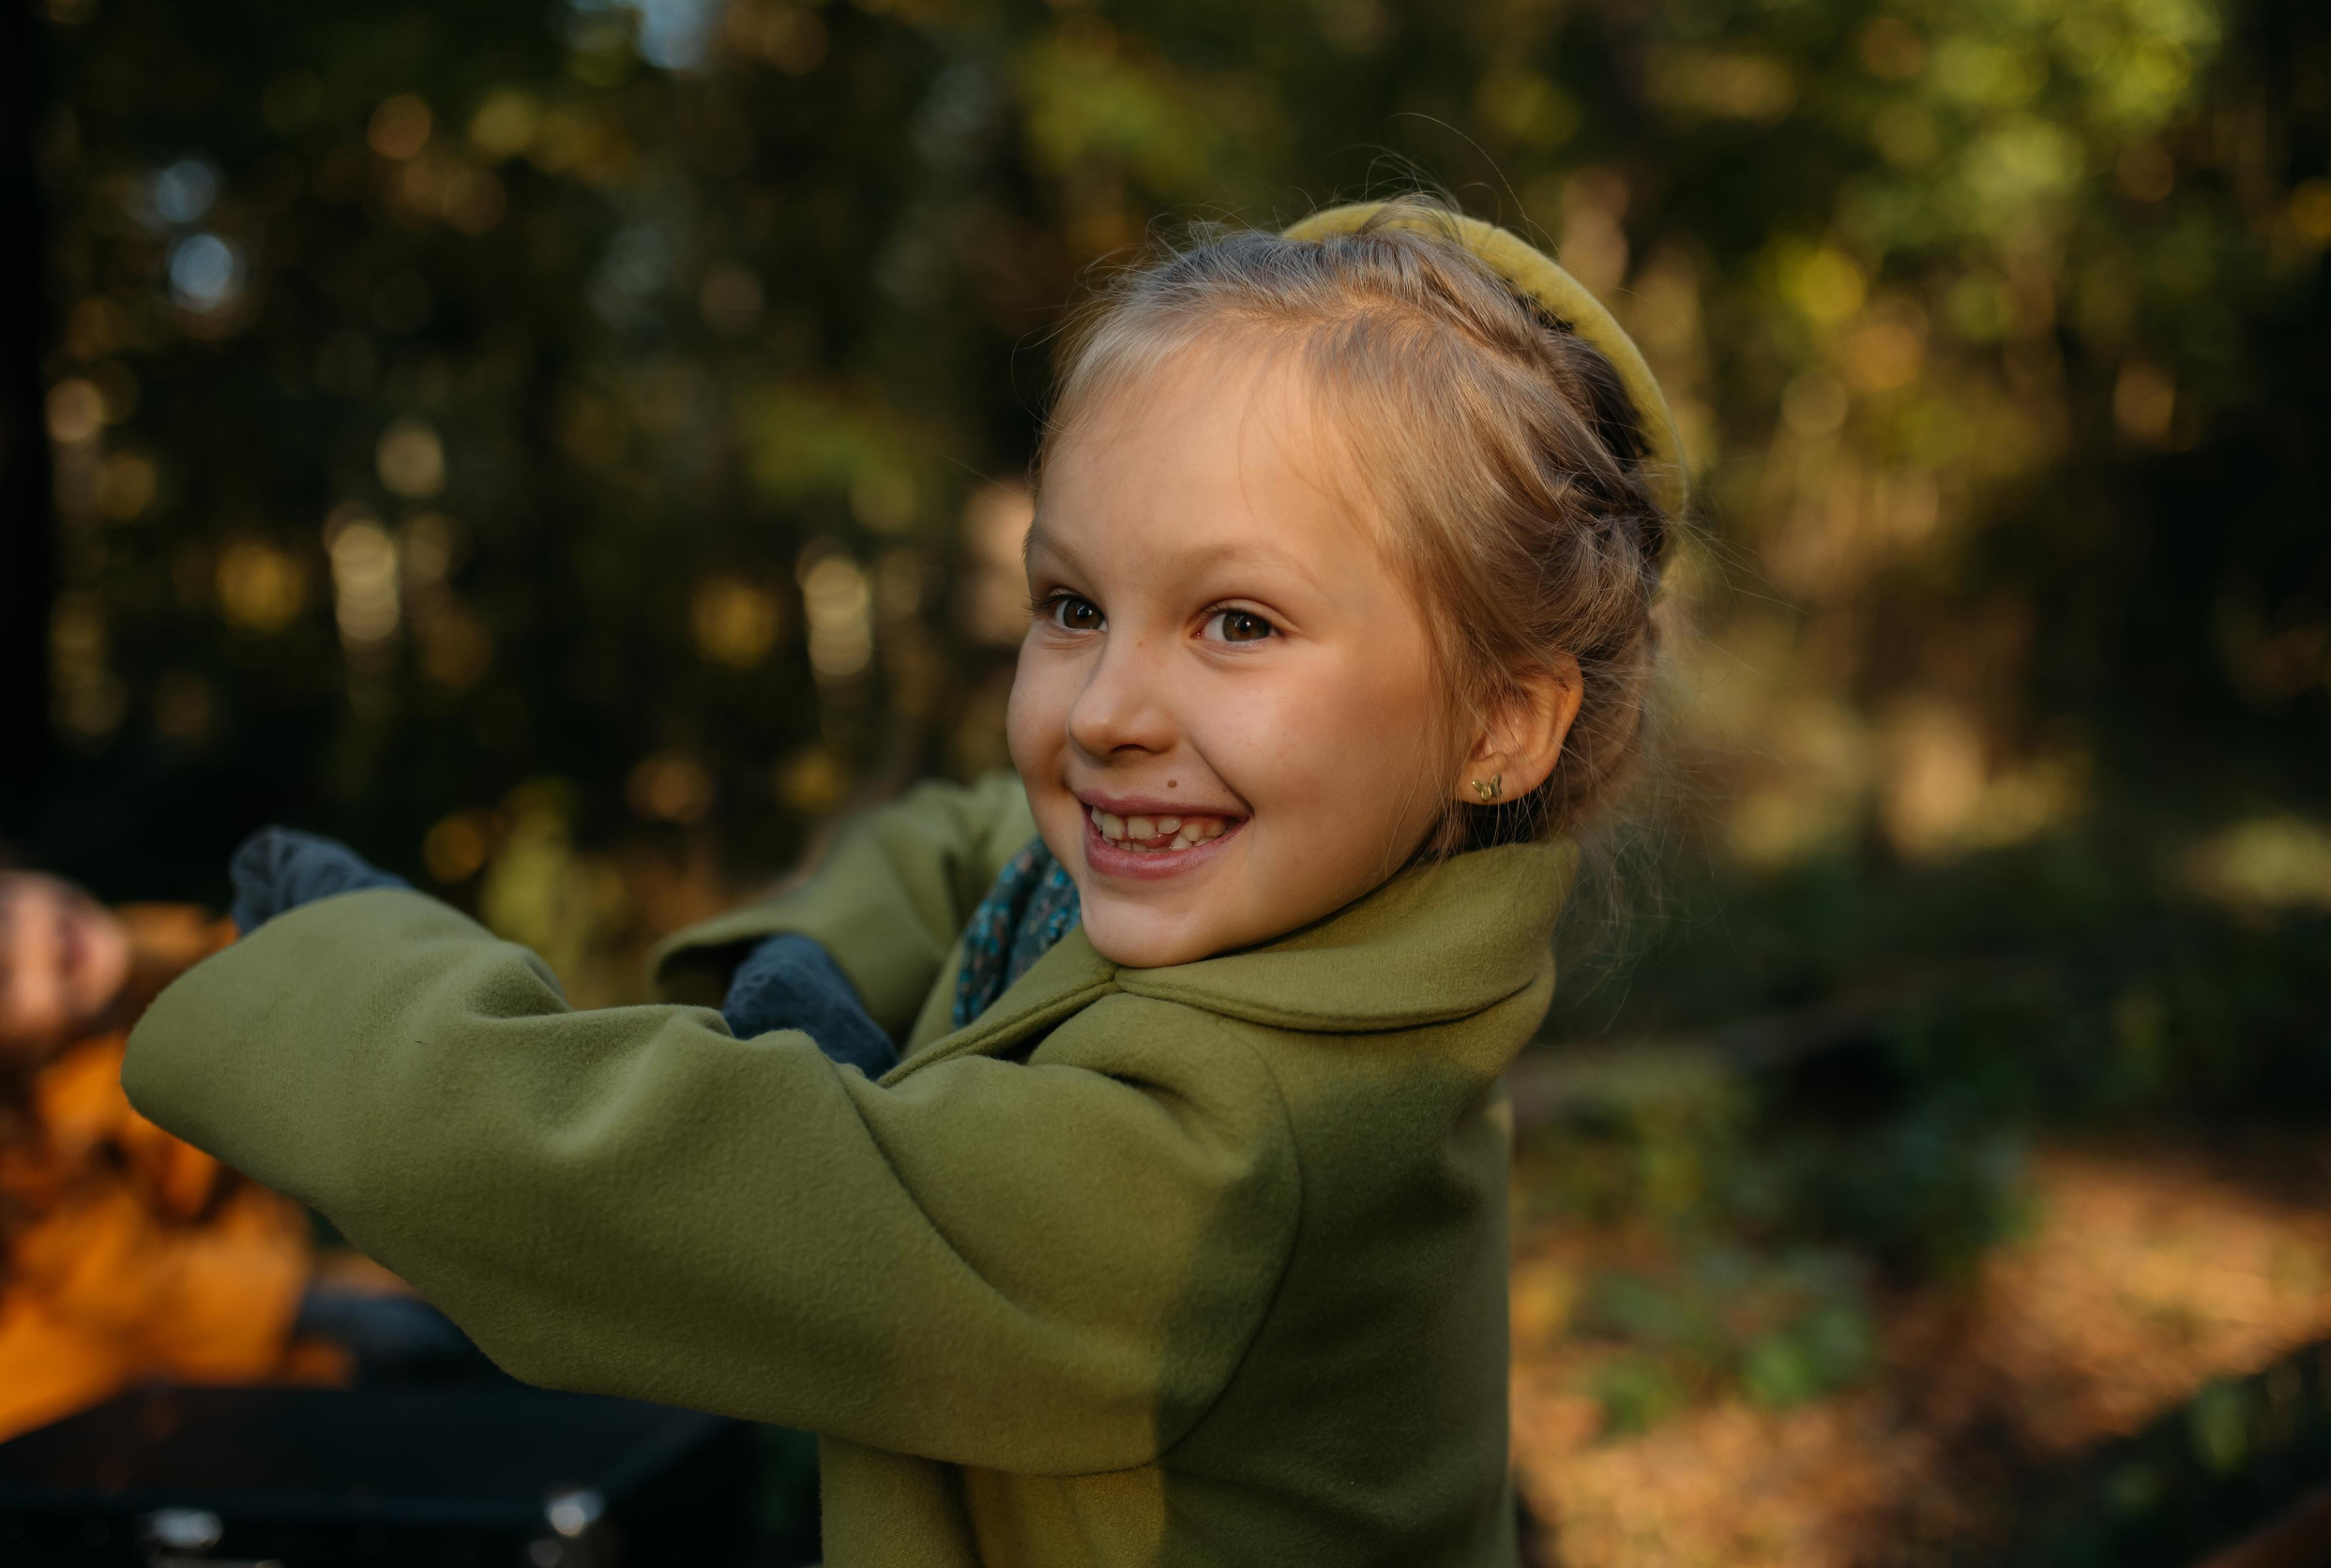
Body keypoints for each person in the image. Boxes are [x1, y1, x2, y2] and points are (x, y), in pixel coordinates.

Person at [123, 198, 1683, 1564]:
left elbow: (621, 1193)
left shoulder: (1210, 1170)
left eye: (1239, 623)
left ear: (1497, 722)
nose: (1106, 709)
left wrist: (340, 971)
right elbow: (965, 837)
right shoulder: (1343, 914)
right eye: (1073, 603)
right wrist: (801, 962)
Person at [0, 866, 316, 1463]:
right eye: (4, 981)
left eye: (2, 908)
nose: (40, 944)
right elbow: (173, 1296)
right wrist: (328, 1307)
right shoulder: (26, 1177)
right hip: (54, 1469)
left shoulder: (120, 962)